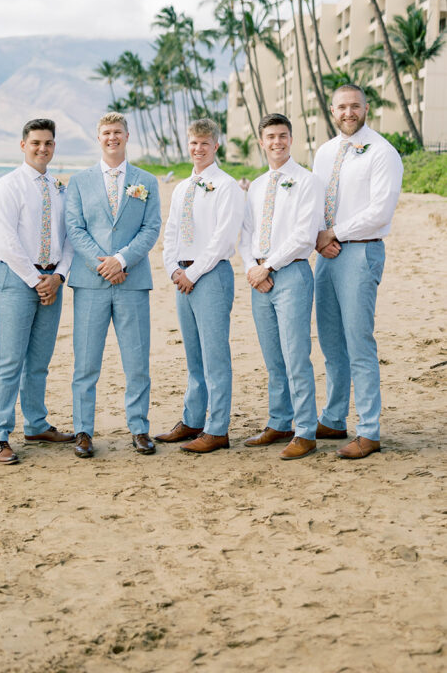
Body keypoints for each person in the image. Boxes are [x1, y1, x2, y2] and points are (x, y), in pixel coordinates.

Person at [313, 84, 403, 459]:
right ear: (332, 111)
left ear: (366, 108)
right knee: (331, 343)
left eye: (355, 106)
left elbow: (380, 212)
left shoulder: (382, 152)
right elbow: (315, 201)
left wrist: (335, 232)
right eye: (341, 107)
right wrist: (319, 239)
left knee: (358, 343)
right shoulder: (324, 152)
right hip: (325, 254)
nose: (348, 112)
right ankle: (334, 418)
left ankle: (369, 430)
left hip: (360, 253)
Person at [65, 112, 161, 458]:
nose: (112, 138)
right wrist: (103, 264)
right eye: (106, 132)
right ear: (98, 137)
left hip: (132, 280)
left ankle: (139, 428)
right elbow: (75, 229)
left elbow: (151, 228)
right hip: (90, 283)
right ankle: (83, 431)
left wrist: (121, 261)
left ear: (127, 136)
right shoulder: (78, 181)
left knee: (136, 361)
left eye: (117, 132)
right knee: (86, 362)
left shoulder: (145, 181)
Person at [0, 119, 75, 464]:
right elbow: (5, 240)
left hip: (52, 280)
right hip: (16, 280)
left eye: (49, 143)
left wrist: (59, 277)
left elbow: (68, 238)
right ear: (23, 145)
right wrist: (35, 279)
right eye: (36, 142)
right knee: (9, 358)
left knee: (40, 359)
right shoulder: (7, 186)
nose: (42, 148)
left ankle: (36, 423)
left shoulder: (59, 188)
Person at [156, 119, 244, 453]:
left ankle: (217, 428)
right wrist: (173, 270)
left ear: (215, 146)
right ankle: (192, 420)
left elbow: (223, 238)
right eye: (193, 143)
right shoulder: (181, 187)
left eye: (204, 144)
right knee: (193, 356)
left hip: (211, 276)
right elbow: (172, 230)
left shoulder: (226, 186)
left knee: (214, 356)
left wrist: (193, 273)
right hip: (184, 277)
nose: (198, 149)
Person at [240, 114, 322, 460]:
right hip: (259, 279)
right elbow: (244, 233)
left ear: (292, 139)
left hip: (291, 274)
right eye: (271, 136)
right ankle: (279, 421)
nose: (277, 142)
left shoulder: (307, 181)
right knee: (273, 357)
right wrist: (251, 268)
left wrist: (269, 265)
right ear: (262, 142)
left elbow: (304, 235)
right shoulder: (257, 185)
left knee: (295, 355)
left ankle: (305, 431)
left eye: (283, 136)